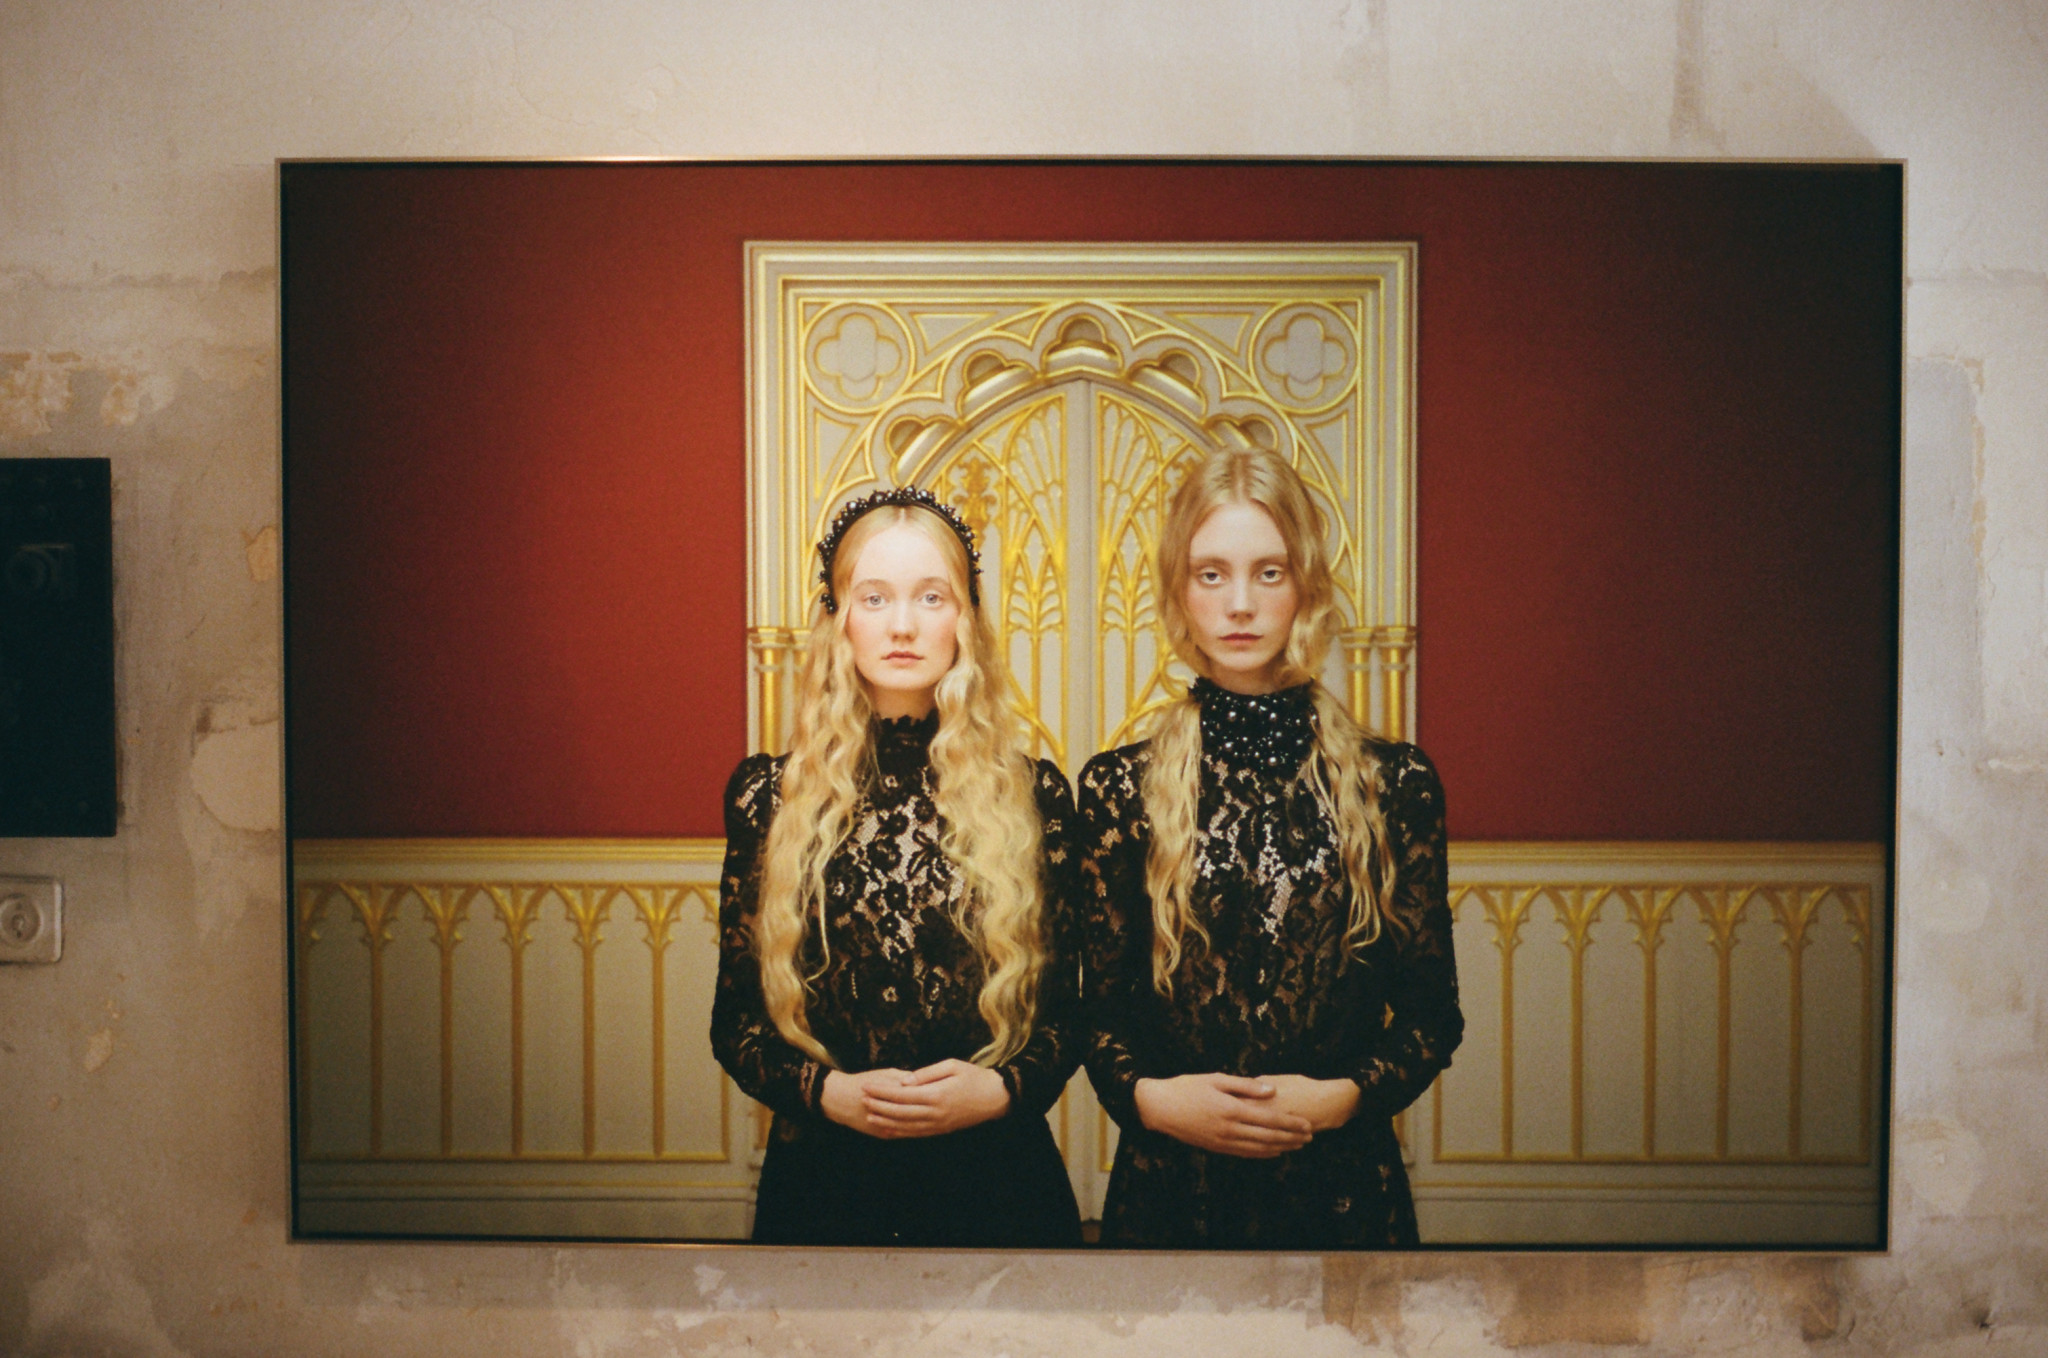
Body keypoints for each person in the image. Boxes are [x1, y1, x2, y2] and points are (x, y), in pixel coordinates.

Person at [1077, 447, 1463, 1249]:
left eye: (1269, 573)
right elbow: (1099, 1017)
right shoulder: (1119, 788)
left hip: (1341, 1189)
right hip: (1171, 1192)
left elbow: (1431, 1017)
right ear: (1179, 590)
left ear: (1306, 586)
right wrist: (1154, 1100)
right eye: (1212, 574)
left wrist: (1344, 1097)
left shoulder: (1395, 784)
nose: (1241, 604)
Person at [711, 486, 1083, 1247]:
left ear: (966, 620)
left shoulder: (1035, 795)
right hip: (824, 1183)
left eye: (931, 597)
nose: (903, 625)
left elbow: (1070, 1018)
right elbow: (736, 1024)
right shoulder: (767, 796)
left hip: (997, 1184)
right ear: (838, 618)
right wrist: (827, 1093)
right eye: (875, 597)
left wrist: (998, 1090)